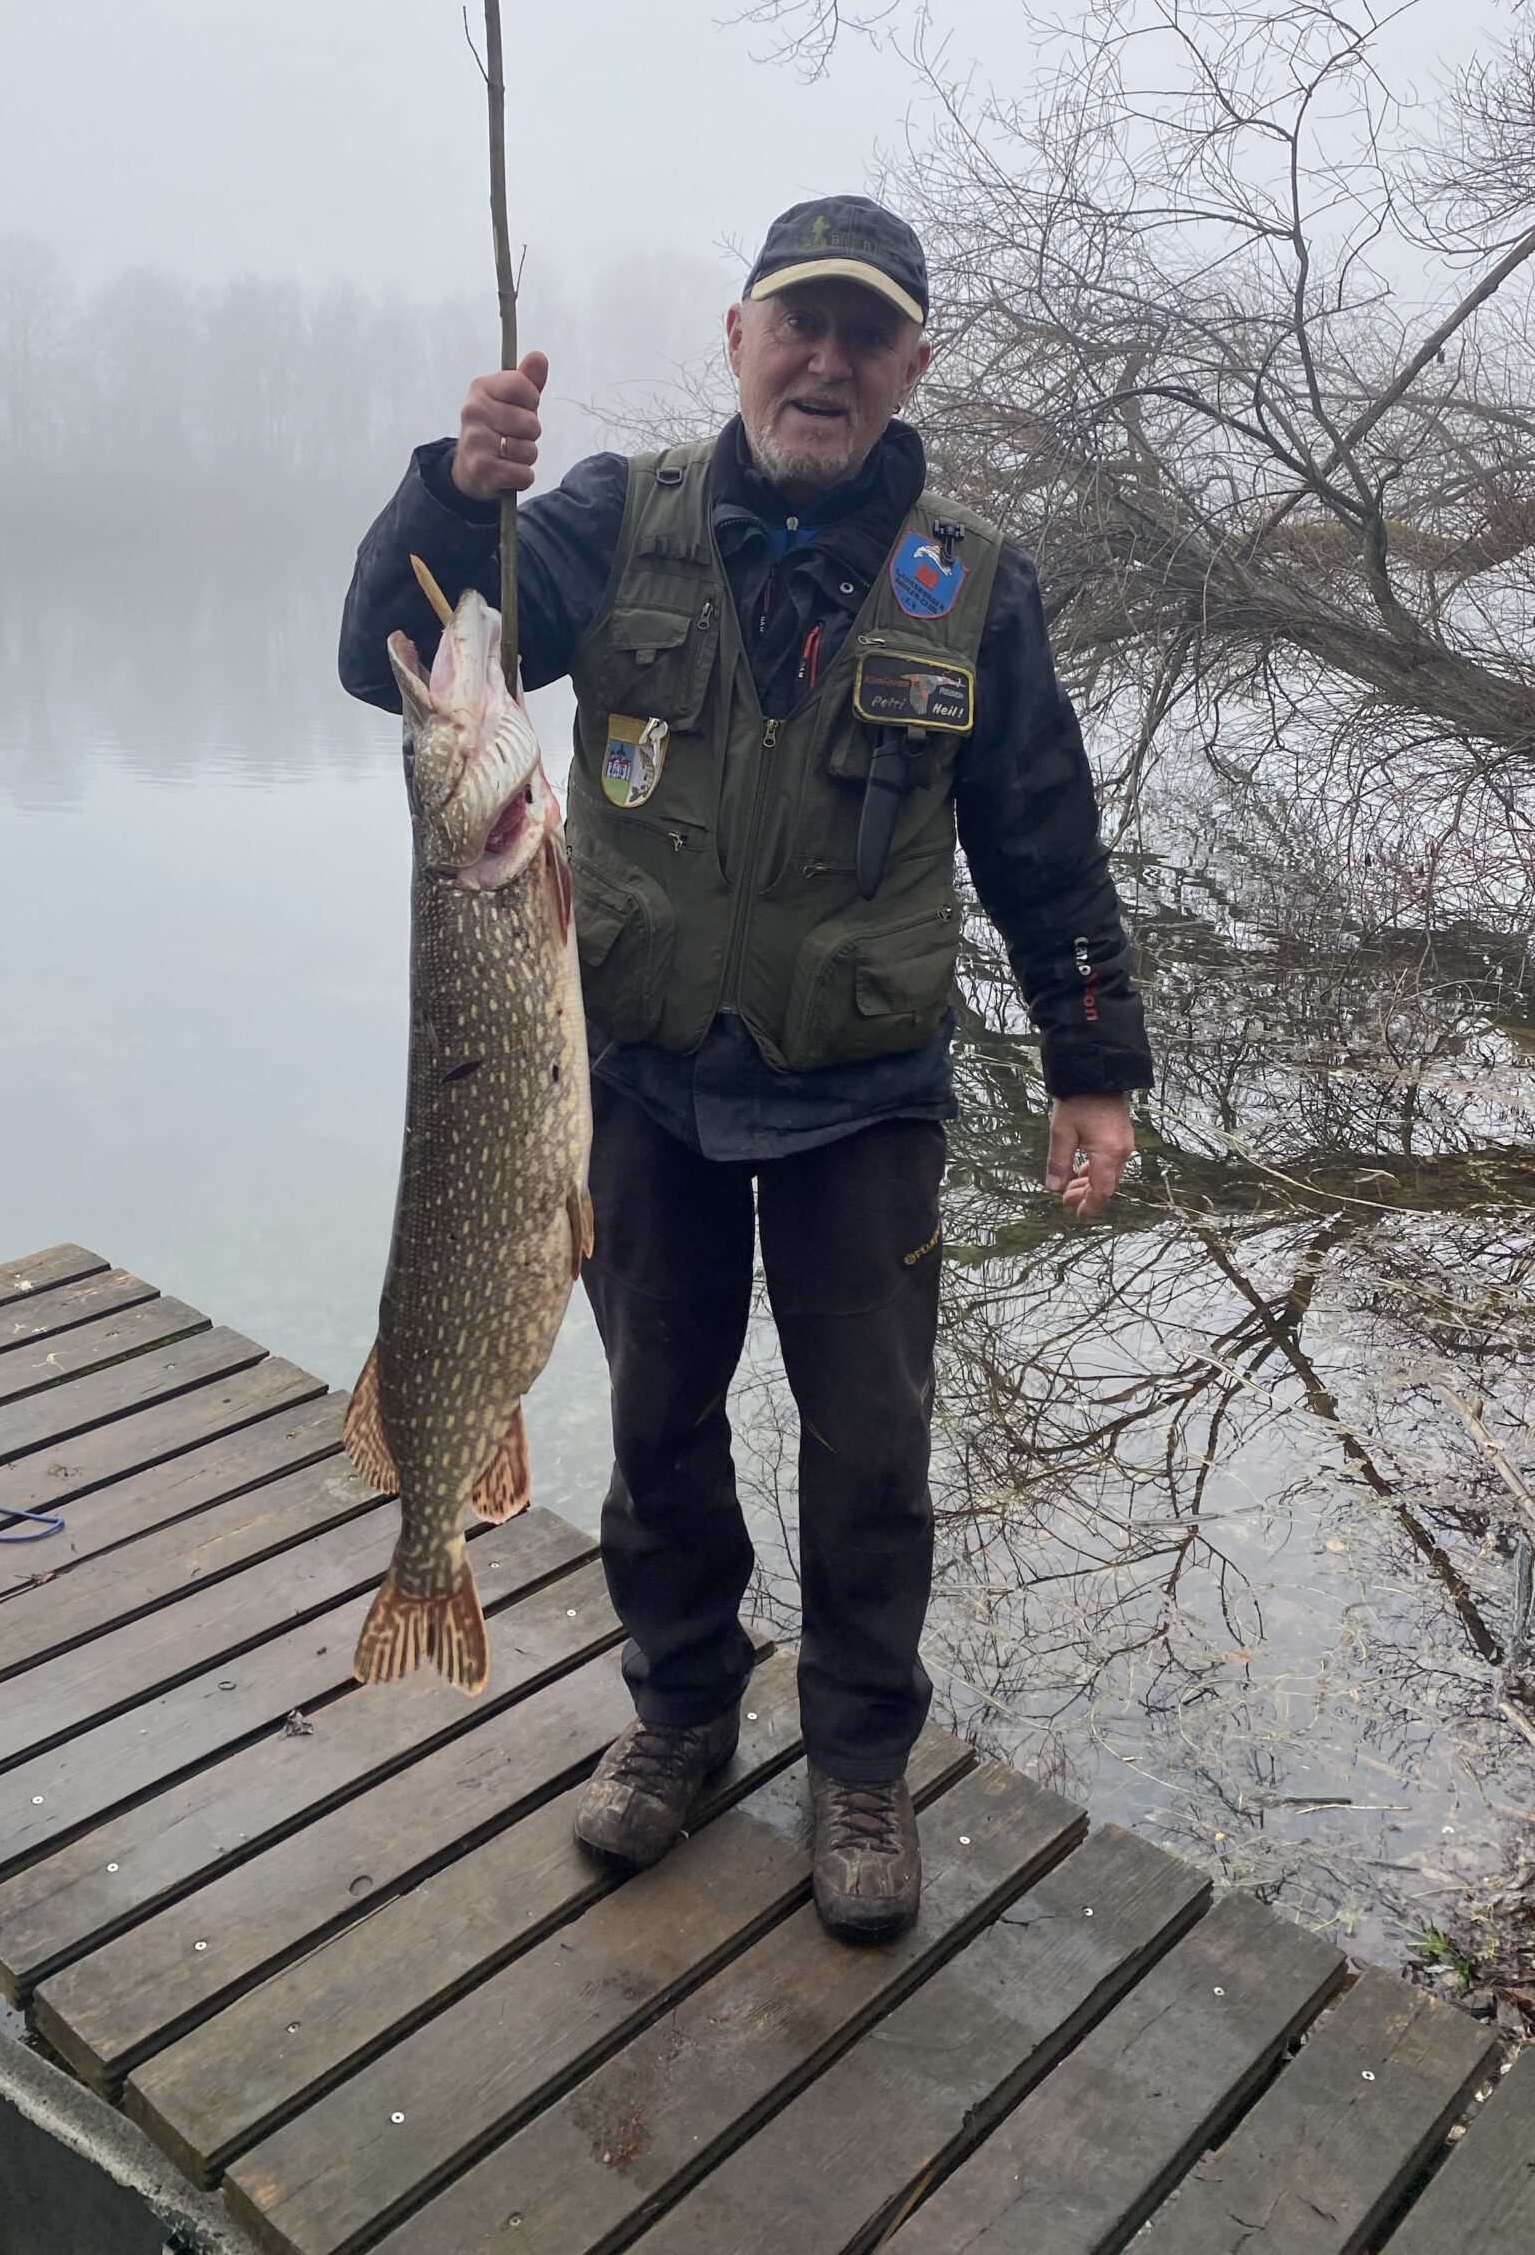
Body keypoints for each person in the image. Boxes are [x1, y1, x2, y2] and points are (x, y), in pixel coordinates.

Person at [338, 195, 1152, 1943]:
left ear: (912, 366)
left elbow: (1044, 838)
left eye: (865, 336)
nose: (826, 363)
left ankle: (859, 1766)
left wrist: (1092, 1063)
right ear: (738, 339)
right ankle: (682, 1716)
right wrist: (455, 492)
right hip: (637, 1080)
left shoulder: (972, 583)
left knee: (870, 1452)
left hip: (864, 1094)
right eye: (800, 324)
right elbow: (377, 656)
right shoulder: (608, 521)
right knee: (656, 1428)